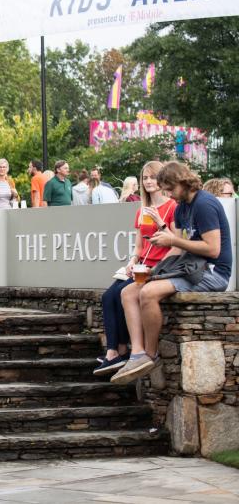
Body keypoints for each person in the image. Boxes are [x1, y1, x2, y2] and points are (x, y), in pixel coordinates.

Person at [112, 161, 232, 385]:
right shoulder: (183, 205)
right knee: (129, 292)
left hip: (212, 272)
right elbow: (181, 243)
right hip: (192, 267)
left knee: (148, 293)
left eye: (169, 189)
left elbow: (213, 249)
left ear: (182, 182)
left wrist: (172, 240)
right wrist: (163, 233)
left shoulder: (204, 203)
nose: (168, 194)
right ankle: (137, 354)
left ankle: (150, 355)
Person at [94, 161, 176, 376]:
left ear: (162, 179)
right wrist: (131, 261)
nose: (149, 181)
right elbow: (139, 246)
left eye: (152, 177)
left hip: (159, 267)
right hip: (141, 265)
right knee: (108, 296)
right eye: (145, 178)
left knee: (123, 294)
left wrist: (156, 267)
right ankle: (115, 350)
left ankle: (118, 352)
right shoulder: (142, 209)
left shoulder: (171, 207)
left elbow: (176, 242)